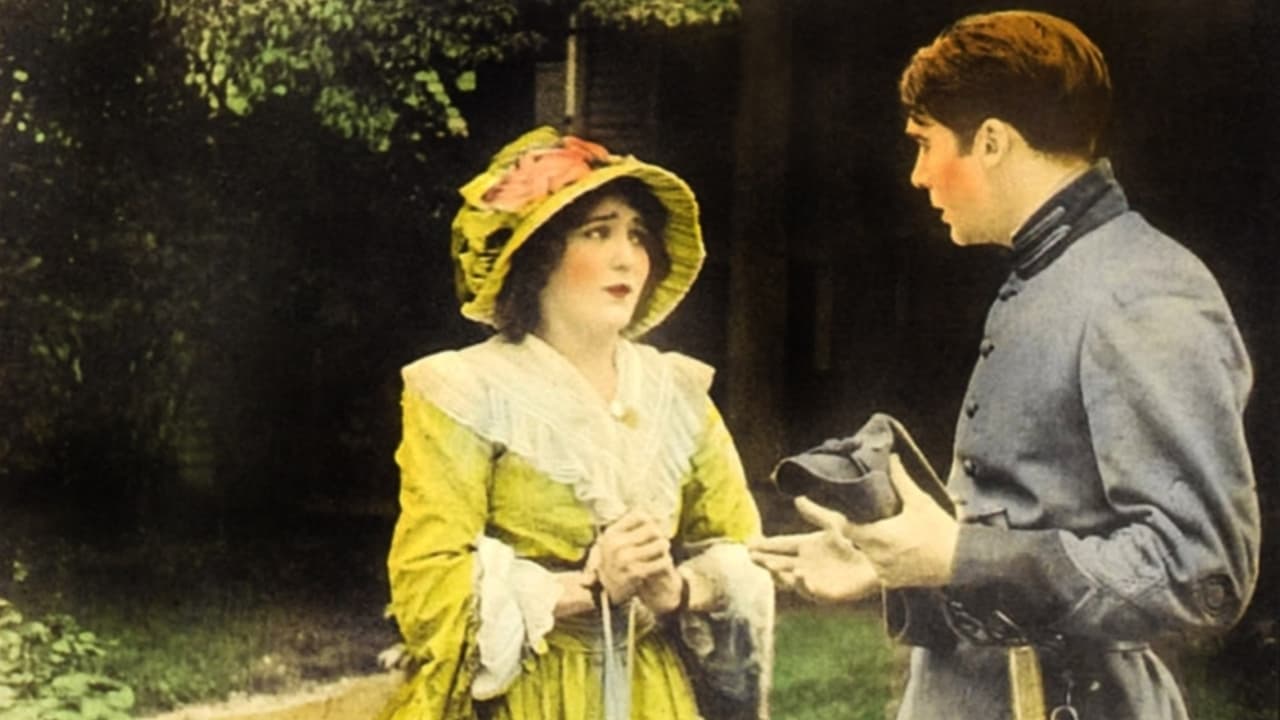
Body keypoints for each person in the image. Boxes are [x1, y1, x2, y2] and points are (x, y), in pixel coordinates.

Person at [750, 10, 1259, 720]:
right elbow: (1033, 520)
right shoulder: (1056, 271)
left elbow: (1199, 573)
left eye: (924, 144)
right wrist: (891, 561)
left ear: (991, 141)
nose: (917, 176)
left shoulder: (1140, 289)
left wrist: (958, 555)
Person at [379, 127, 773, 720]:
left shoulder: (676, 392)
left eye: (637, 235)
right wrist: (587, 589)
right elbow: (429, 587)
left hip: (651, 694)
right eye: (598, 232)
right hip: (525, 696)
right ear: (540, 256)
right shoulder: (466, 391)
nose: (627, 256)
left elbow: (745, 552)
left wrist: (678, 591)